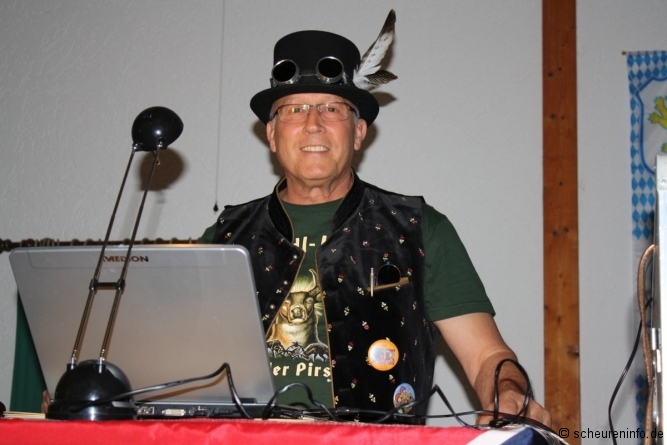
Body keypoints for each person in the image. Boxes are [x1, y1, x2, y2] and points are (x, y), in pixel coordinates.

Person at [198, 24, 551, 427]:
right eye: (294, 110)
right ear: (272, 134)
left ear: (359, 132)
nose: (313, 124)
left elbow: (487, 356)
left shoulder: (420, 230)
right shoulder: (223, 238)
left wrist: (509, 393)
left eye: (332, 109)